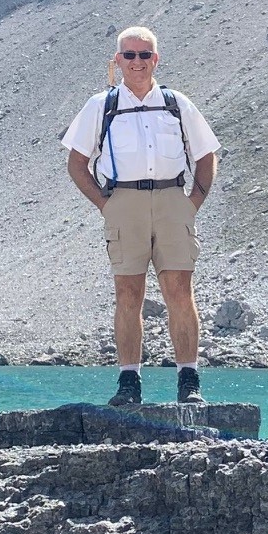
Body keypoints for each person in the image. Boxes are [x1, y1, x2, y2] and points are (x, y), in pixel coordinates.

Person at [62, 25, 219, 407]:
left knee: (180, 291)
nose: (136, 62)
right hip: (124, 201)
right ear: (117, 60)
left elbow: (206, 154)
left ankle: (188, 380)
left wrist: (191, 201)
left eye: (144, 55)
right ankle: (129, 382)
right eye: (128, 55)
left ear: (156, 59)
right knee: (128, 293)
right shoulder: (101, 105)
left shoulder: (176, 103)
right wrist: (107, 205)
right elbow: (77, 163)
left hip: (171, 198)